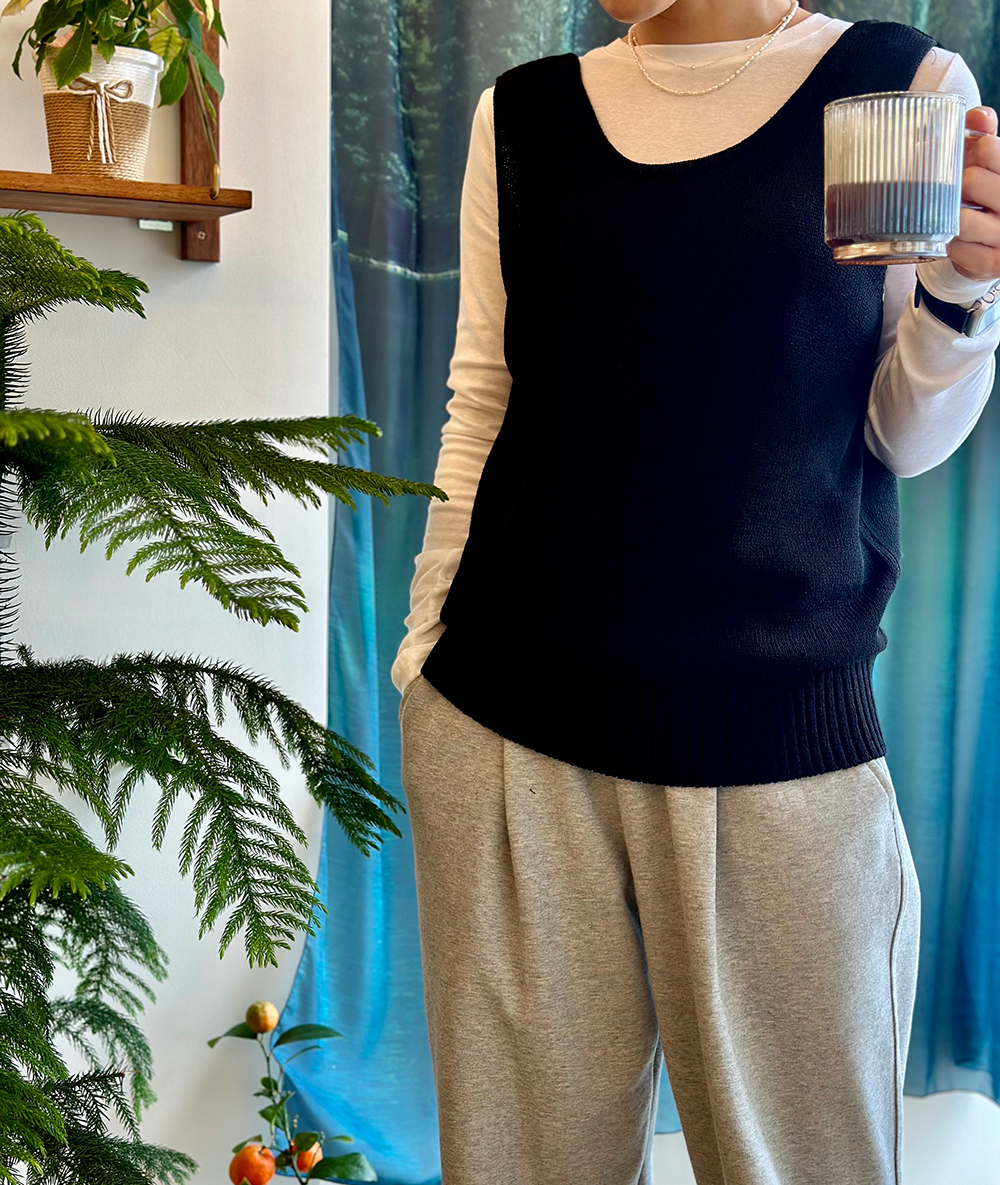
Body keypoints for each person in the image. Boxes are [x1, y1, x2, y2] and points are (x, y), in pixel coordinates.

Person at [393, 4, 1000, 1183]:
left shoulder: (896, 87)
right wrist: (423, 659)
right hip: (506, 736)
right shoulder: (522, 115)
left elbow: (897, 435)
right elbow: (484, 403)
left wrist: (963, 290)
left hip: (779, 755)